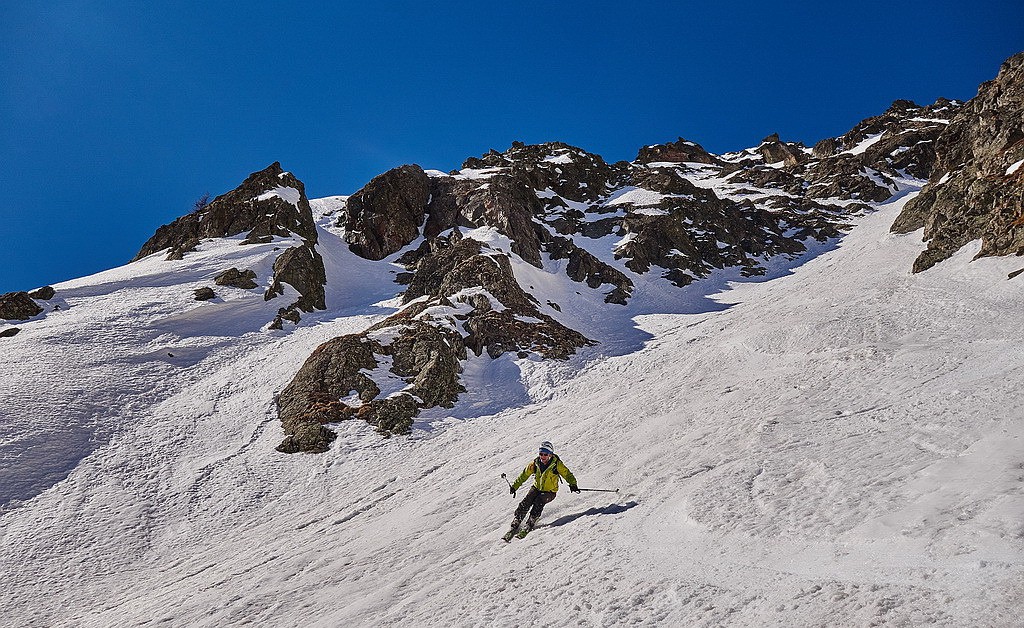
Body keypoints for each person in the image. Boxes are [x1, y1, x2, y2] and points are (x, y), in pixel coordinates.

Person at [506, 441, 579, 539]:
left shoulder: (556, 464)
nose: (543, 456)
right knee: (527, 500)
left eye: (545, 454)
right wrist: (515, 486)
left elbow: (567, 474)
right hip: (536, 488)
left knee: (539, 500)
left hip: (550, 492)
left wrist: (573, 484)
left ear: (550, 454)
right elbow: (524, 475)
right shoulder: (535, 464)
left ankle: (531, 520)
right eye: (541, 454)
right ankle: (517, 519)